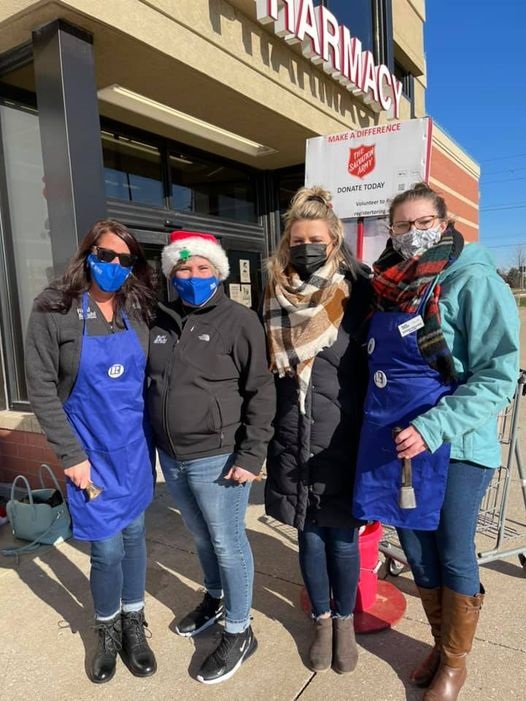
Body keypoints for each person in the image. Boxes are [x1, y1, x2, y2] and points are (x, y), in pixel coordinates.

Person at [352, 183, 520, 701]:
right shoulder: (389, 285)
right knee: (416, 549)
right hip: (400, 446)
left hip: (458, 446)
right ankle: (440, 641)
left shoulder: (473, 280)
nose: (412, 233)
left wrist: (433, 427)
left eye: (423, 222)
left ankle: (454, 661)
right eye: (402, 225)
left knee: (451, 550)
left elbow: (497, 376)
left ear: (444, 224)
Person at [25, 219, 158, 684]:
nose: (114, 265)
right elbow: (41, 388)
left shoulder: (136, 307)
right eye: (106, 255)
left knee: (135, 537)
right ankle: (106, 628)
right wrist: (70, 455)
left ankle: (134, 621)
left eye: (125, 259)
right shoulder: (53, 307)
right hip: (89, 454)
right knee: (106, 548)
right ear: (88, 255)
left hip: (134, 450)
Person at [147, 230, 275, 684]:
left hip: (218, 457)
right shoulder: (158, 321)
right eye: (183, 268)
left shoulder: (239, 320)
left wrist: (252, 453)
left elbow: (261, 390)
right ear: (171, 273)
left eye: (202, 267)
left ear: (218, 272)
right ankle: (215, 598)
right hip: (172, 456)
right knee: (201, 536)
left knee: (227, 542)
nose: (193, 275)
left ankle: (240, 630)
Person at [263, 186, 372, 674]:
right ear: (287, 243)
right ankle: (322, 620)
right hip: (291, 434)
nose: (306, 247)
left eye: (316, 240)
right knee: (308, 537)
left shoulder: (357, 291)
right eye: (298, 240)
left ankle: (345, 621)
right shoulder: (273, 293)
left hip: (342, 437)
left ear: (333, 241)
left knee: (342, 539)